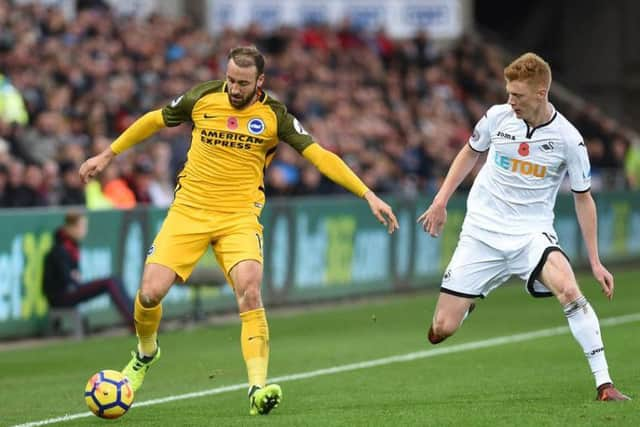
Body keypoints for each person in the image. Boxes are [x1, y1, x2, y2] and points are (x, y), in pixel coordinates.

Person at [79, 46, 399, 416]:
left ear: (259, 82)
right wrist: (107, 155)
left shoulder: (275, 116)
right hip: (189, 212)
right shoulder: (202, 98)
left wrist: (368, 194)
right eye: (230, 79)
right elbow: (153, 120)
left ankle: (257, 389)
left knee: (249, 290)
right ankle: (145, 352)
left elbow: (320, 155)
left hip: (239, 218)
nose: (233, 87)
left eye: (242, 82)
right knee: (149, 294)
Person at [418, 53, 630, 401]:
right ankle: (469, 301)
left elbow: (583, 198)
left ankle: (604, 384)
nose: (510, 101)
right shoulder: (497, 117)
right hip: (481, 233)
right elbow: (470, 152)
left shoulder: (568, 139)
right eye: (508, 93)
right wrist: (441, 201)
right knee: (441, 329)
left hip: (531, 235)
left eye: (517, 95)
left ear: (541, 92)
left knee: (569, 290)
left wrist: (594, 260)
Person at [43, 211, 134, 329]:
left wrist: (74, 276)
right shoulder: (59, 250)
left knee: (116, 279)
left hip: (71, 290)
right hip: (61, 296)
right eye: (81, 226)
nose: (84, 231)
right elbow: (66, 279)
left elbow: (74, 275)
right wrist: (72, 277)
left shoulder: (71, 246)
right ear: (70, 228)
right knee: (110, 282)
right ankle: (135, 322)